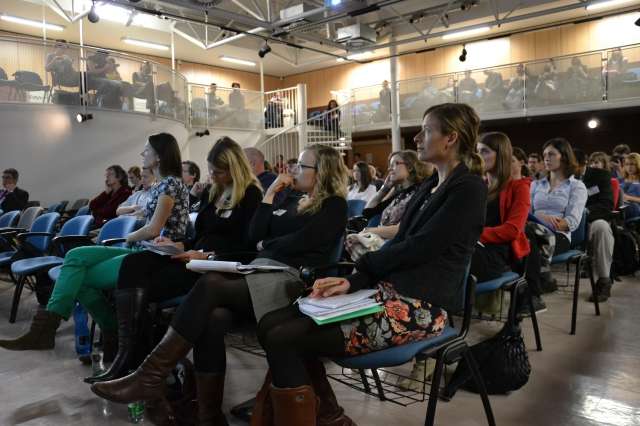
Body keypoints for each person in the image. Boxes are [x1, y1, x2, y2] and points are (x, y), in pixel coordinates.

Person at [244, 103, 486, 425]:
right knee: (270, 323)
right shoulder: (430, 186)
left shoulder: (468, 188)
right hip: (388, 292)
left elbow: (419, 247)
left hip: (422, 306)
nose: (417, 138)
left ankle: (325, 416)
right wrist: (354, 281)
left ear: (451, 138)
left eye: (426, 131)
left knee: (282, 336)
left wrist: (360, 274)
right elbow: (401, 242)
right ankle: (329, 415)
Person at [90, 145, 349, 426]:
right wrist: (270, 194)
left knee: (211, 284)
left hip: (291, 280)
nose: (294, 170)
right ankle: (209, 417)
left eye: (301, 166)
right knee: (212, 319)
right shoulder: (289, 198)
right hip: (261, 271)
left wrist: (268, 244)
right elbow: (255, 235)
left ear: (322, 172)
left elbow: (302, 243)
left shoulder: (334, 205)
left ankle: (149, 376)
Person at [85, 137, 263, 385]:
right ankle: (127, 356)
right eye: (211, 170)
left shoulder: (251, 195)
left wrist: (207, 254)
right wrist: (181, 245)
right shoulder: (213, 192)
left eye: (218, 172)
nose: (212, 176)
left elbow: (247, 246)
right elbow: (201, 234)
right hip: (194, 257)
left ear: (234, 169)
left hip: (217, 265)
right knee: (134, 264)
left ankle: (138, 362)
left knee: (143, 285)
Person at [0, 133, 189, 357]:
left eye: (147, 150)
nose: (142, 153)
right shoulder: (162, 185)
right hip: (142, 249)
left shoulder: (170, 184)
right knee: (75, 256)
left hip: (154, 254)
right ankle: (50, 330)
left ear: (158, 156)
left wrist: (129, 237)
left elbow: (154, 229)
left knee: (77, 277)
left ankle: (76, 330)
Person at [346, 150, 431, 260]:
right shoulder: (399, 193)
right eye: (389, 165)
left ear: (410, 167)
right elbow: (367, 212)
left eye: (395, 164)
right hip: (381, 243)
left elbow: (403, 229)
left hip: (397, 249)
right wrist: (385, 189)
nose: (389, 169)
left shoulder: (420, 193)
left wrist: (369, 231)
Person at [530, 138, 587, 256]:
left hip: (558, 236)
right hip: (531, 231)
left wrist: (540, 220)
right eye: (544, 155)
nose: (546, 158)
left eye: (551, 154)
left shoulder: (576, 186)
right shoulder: (535, 184)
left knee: (529, 244)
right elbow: (527, 213)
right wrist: (539, 218)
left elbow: (571, 222)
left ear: (564, 157)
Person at [622, 152, 640, 221]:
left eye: (632, 164)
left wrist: (628, 198)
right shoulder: (620, 180)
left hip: (635, 209)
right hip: (620, 207)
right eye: (627, 164)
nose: (629, 167)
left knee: (632, 206)